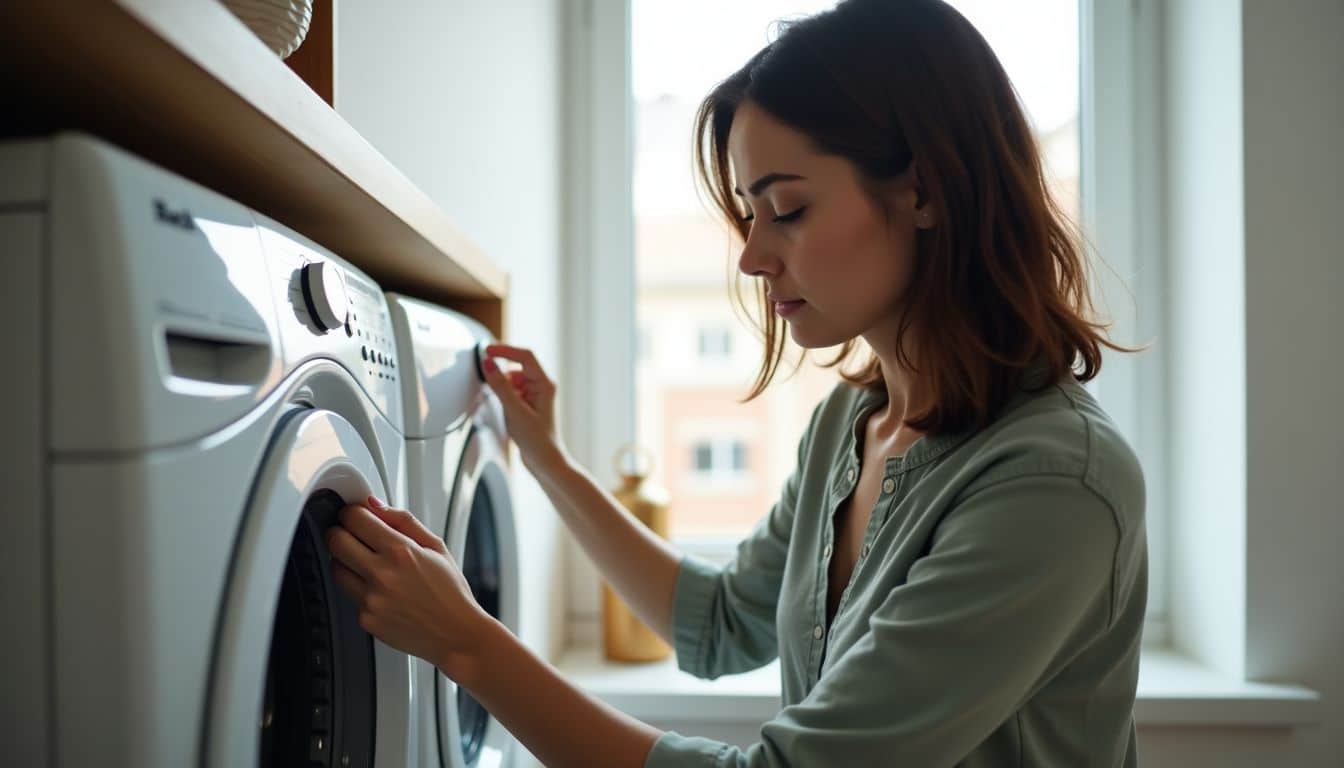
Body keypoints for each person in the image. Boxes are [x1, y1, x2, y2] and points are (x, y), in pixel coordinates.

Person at [324, 0, 1148, 765]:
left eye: (786, 208)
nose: (754, 255)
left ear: (925, 190)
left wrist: (466, 645)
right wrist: (547, 458)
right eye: (749, 216)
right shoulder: (850, 425)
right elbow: (716, 624)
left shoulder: (1054, 484)